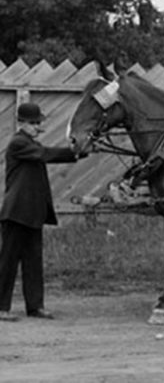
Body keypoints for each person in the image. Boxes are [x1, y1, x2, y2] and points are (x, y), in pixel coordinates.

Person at [0, 102, 79, 322]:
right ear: (21, 123)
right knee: (7, 262)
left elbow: (43, 154)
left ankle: (35, 306)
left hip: (31, 213)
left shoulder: (29, 143)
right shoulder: (18, 143)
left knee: (33, 262)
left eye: (38, 123)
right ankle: (1, 307)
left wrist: (77, 153)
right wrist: (74, 152)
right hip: (15, 213)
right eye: (33, 123)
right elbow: (45, 154)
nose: (37, 127)